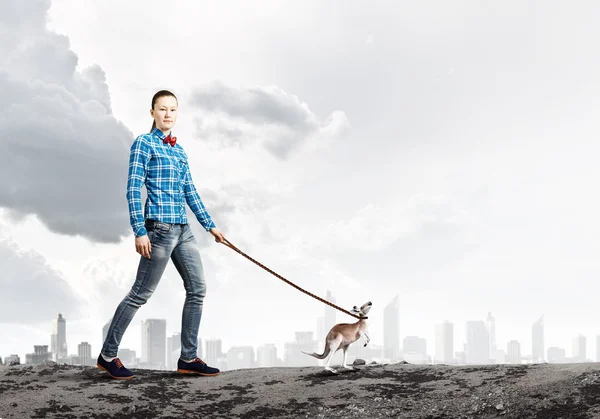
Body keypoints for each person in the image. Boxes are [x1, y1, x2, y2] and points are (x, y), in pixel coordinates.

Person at [96, 89, 225, 380]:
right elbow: (132, 188)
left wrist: (210, 225)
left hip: (184, 231)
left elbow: (190, 191)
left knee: (198, 289)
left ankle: (188, 358)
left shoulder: (179, 151)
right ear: (152, 112)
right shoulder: (143, 143)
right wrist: (139, 230)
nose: (168, 114)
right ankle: (107, 355)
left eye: (173, 110)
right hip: (159, 231)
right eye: (162, 109)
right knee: (140, 293)